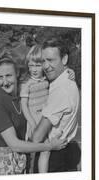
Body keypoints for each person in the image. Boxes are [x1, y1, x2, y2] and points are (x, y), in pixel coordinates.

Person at [0, 47, 67, 175]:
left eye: (8, 75)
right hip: (7, 167)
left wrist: (68, 72)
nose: (5, 82)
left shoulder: (23, 94)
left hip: (25, 161)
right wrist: (50, 146)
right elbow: (14, 145)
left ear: (17, 73)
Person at [20, 45, 75, 173]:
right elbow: (24, 106)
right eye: (31, 65)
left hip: (46, 122)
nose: (34, 69)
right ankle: (29, 174)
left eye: (38, 65)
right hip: (34, 123)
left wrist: (69, 71)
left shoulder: (48, 80)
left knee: (46, 151)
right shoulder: (26, 84)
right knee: (33, 153)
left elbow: (61, 74)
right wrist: (33, 123)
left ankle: (43, 178)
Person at [32, 37, 80, 172]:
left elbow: (37, 138)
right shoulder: (65, 81)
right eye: (43, 61)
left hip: (53, 156)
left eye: (51, 60)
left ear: (64, 59)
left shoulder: (61, 89)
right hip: (62, 153)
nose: (46, 66)